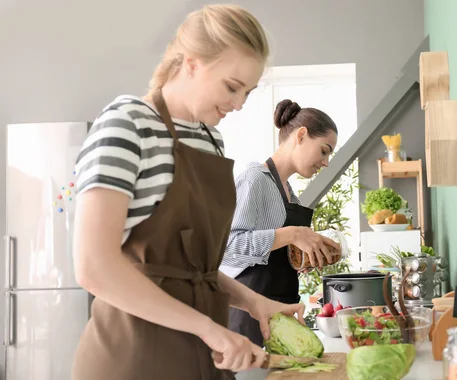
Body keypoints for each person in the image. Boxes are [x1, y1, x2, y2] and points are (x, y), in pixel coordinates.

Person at [71, 5, 305, 380]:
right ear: (191, 63)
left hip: (205, 357)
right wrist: (209, 329)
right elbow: (94, 268)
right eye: (232, 86)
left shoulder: (209, 139)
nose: (239, 103)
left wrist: (255, 304)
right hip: (134, 358)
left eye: (248, 91)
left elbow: (192, 270)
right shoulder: (126, 125)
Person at [220, 99, 341, 346]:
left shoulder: (288, 191)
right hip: (249, 315)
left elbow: (272, 251)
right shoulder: (255, 179)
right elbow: (228, 247)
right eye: (324, 150)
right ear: (302, 135)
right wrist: (292, 235)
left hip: (281, 312)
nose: (326, 162)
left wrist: (297, 258)